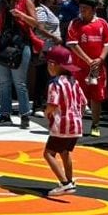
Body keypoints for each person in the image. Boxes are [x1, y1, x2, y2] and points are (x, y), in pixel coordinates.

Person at [41, 46, 87, 196]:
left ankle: (65, 183)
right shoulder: (74, 82)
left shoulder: (55, 84)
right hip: (76, 125)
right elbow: (84, 102)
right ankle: (69, 180)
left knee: (48, 153)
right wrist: (77, 115)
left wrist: (46, 113)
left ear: (53, 65)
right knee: (65, 151)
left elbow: (52, 104)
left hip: (62, 125)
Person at [66, 0, 108, 137]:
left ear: (94, 9)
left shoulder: (102, 23)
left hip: (96, 68)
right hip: (79, 67)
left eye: (86, 8)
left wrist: (100, 59)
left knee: (96, 96)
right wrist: (88, 60)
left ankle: (95, 125)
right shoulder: (74, 23)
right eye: (81, 7)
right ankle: (76, 124)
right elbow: (72, 44)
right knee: (78, 96)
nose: (82, 10)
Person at [0, 0, 37, 127]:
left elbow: (35, 23)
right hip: (4, 45)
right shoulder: (4, 3)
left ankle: (25, 116)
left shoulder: (25, 1)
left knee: (19, 82)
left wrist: (20, 15)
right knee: (3, 82)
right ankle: (5, 114)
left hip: (20, 45)